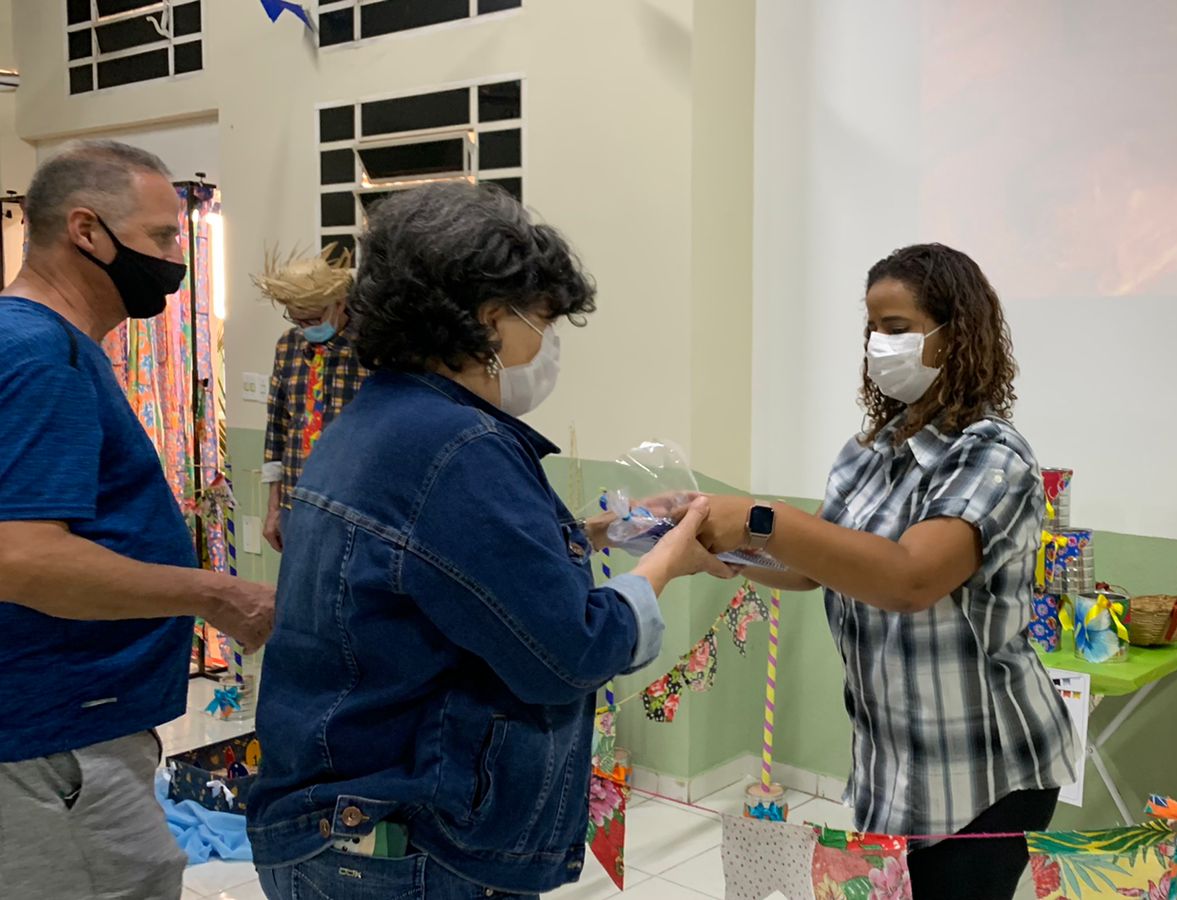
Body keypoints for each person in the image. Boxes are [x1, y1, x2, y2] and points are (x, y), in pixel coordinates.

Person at [247, 182, 732, 899]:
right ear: (490, 321)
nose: (549, 345)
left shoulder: (377, 422)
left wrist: (605, 531)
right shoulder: (458, 447)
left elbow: (448, 570)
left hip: (337, 828)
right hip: (408, 850)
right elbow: (568, 656)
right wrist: (670, 560)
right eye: (543, 321)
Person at [695, 243, 1076, 900]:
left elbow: (908, 580)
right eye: (872, 328)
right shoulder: (869, 450)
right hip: (893, 767)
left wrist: (762, 519)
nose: (879, 344)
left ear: (956, 337)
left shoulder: (992, 454)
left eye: (897, 328)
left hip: (987, 770)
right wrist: (717, 547)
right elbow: (820, 565)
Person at [0, 140, 275, 900]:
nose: (173, 261)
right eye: (160, 239)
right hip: (51, 743)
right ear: (86, 231)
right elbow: (21, 560)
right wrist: (215, 595)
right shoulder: (36, 356)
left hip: (68, 732)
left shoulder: (48, 347)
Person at [255, 243, 368, 552]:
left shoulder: (372, 350)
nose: (306, 329)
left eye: (314, 320)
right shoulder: (288, 345)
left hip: (353, 506)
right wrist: (274, 508)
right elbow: (277, 426)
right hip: (296, 500)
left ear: (341, 304)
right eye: (297, 321)